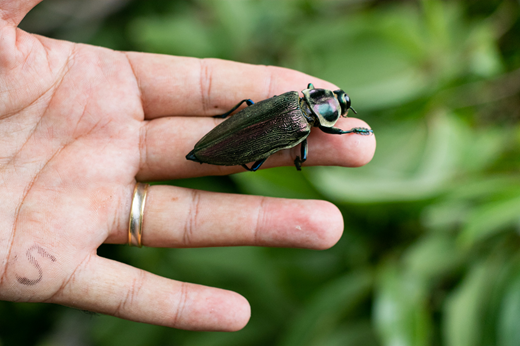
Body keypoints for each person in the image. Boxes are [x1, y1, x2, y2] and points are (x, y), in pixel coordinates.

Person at [0, 0, 375, 331]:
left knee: (247, 107)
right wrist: (349, 132)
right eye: (340, 110)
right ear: (326, 112)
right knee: (256, 160)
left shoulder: (293, 98)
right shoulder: (302, 125)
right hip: (231, 145)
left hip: (230, 132)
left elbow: (251, 108)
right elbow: (317, 140)